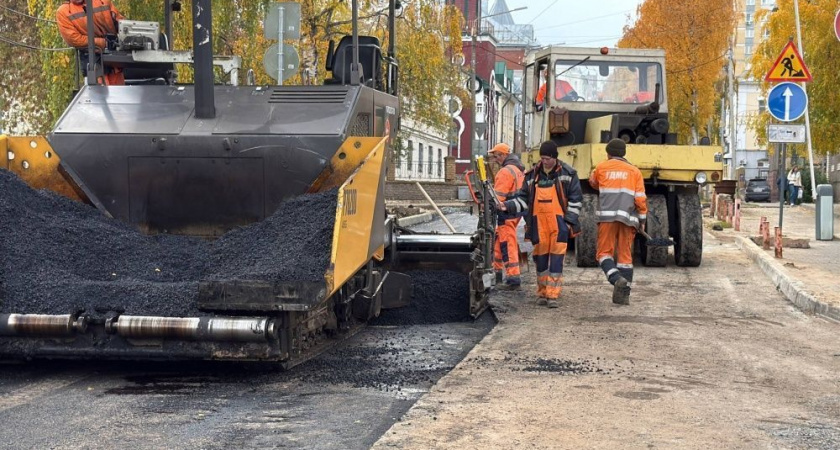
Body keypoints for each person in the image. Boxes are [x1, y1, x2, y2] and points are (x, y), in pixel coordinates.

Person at [502, 141, 583, 308]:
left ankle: (552, 295)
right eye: (542, 158)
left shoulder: (568, 173)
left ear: (554, 157)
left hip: (559, 224)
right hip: (538, 225)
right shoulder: (532, 175)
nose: (544, 162)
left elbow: (576, 200)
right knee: (540, 259)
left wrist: (568, 223)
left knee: (556, 260)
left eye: (547, 159)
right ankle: (542, 293)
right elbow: (523, 199)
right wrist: (507, 206)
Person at [589, 139, 648, 305]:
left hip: (607, 218)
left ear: (608, 153)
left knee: (603, 254)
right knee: (625, 258)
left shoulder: (601, 167)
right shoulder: (635, 171)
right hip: (628, 220)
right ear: (624, 153)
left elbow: (593, 182)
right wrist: (642, 219)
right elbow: (640, 199)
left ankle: (616, 279)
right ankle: (623, 296)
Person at [56, 0, 125, 85]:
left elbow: (121, 23)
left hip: (114, 60)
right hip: (92, 61)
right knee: (99, 91)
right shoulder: (63, 12)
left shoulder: (102, 1)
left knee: (119, 90)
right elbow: (74, 39)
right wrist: (103, 43)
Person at [488, 143, 526, 289]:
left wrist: (488, 204)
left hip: (507, 212)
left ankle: (513, 278)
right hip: (516, 210)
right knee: (499, 240)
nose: (495, 159)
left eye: (497, 156)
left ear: (504, 155)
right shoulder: (518, 169)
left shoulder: (505, 172)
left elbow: (498, 198)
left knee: (507, 243)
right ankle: (496, 271)